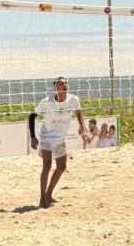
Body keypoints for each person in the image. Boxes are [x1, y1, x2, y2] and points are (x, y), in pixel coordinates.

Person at [29, 77, 91, 209]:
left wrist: (84, 129)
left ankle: (48, 195)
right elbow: (31, 116)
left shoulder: (73, 99)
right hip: (46, 137)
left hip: (60, 139)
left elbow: (79, 113)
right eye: (61, 83)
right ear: (55, 87)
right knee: (47, 165)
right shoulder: (46, 102)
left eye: (66, 83)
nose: (65, 85)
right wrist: (33, 137)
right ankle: (41, 200)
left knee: (62, 167)